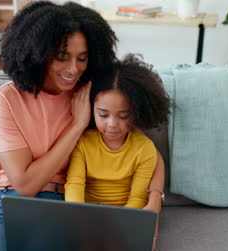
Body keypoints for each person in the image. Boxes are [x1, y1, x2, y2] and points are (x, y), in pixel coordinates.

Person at [0, 1, 164, 251]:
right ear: (38, 52)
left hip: (60, 207)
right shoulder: (5, 99)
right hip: (2, 204)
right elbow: (25, 184)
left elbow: (148, 151)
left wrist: (154, 203)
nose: (73, 69)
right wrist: (77, 125)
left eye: (82, 58)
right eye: (62, 57)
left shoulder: (92, 96)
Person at [65, 54, 171, 210]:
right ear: (91, 109)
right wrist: (79, 218)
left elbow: (138, 198)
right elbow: (74, 185)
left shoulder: (145, 149)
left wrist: (121, 223)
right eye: (103, 114)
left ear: (136, 113)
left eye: (123, 116)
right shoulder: (82, 143)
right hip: (86, 215)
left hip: (127, 215)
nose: (112, 124)